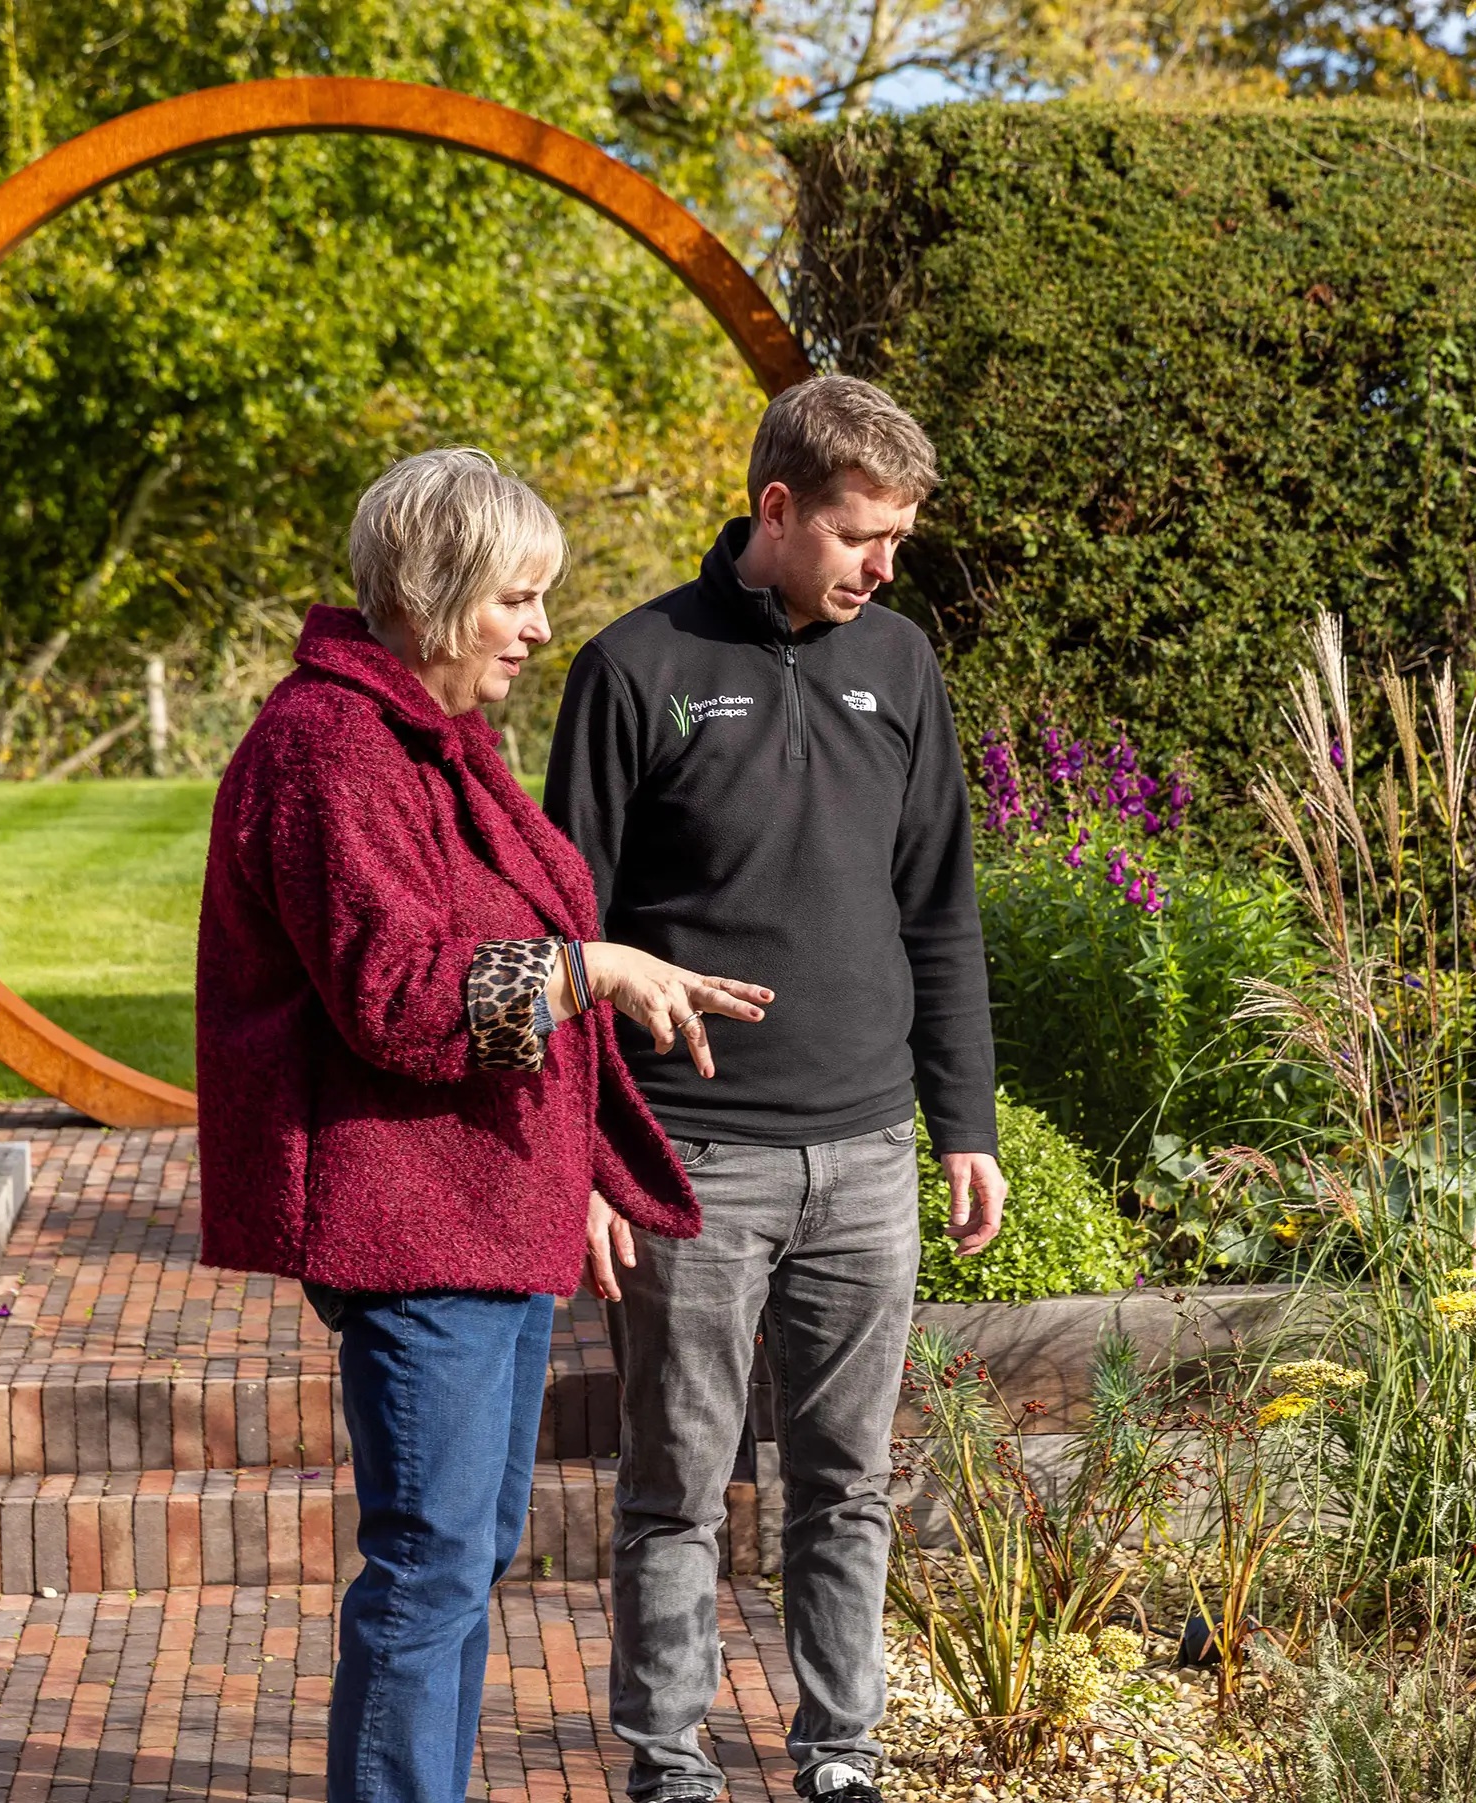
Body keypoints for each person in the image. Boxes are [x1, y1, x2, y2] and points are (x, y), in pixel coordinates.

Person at [194, 447, 772, 1803]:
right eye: (514, 599)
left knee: (462, 1557)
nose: (538, 629)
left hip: (489, 1209)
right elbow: (396, 999)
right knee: (430, 1566)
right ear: (427, 593)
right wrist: (594, 970)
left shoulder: (434, 736)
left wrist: (576, 1162)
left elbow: (491, 955)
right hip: (412, 1223)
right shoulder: (331, 748)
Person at [546, 375, 1007, 1803]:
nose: (884, 565)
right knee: (676, 1483)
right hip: (690, 1157)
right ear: (778, 508)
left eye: (900, 539)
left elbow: (939, 909)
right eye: (862, 534)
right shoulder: (635, 669)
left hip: (866, 1153)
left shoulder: (903, 666)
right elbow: (568, 940)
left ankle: (841, 1752)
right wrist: (584, 1159)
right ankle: (666, 1758)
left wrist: (964, 1124)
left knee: (846, 1483)